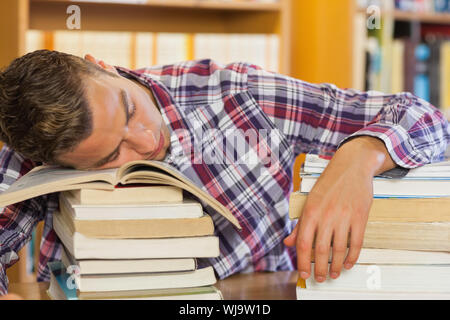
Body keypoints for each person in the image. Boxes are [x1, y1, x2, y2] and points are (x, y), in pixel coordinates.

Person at [0, 49, 448, 296]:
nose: (144, 141)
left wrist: (358, 157)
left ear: (101, 65)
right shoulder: (38, 146)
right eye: (111, 154)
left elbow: (427, 118)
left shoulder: (240, 94)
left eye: (129, 108)